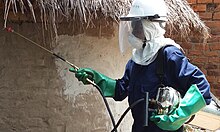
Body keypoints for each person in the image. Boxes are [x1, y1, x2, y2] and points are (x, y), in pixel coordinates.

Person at [69, 0, 212, 131]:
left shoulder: (168, 54)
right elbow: (121, 90)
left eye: (138, 25)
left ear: (151, 26)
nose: (133, 30)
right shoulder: (137, 59)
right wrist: (96, 79)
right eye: (133, 25)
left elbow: (201, 86)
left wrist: (176, 117)